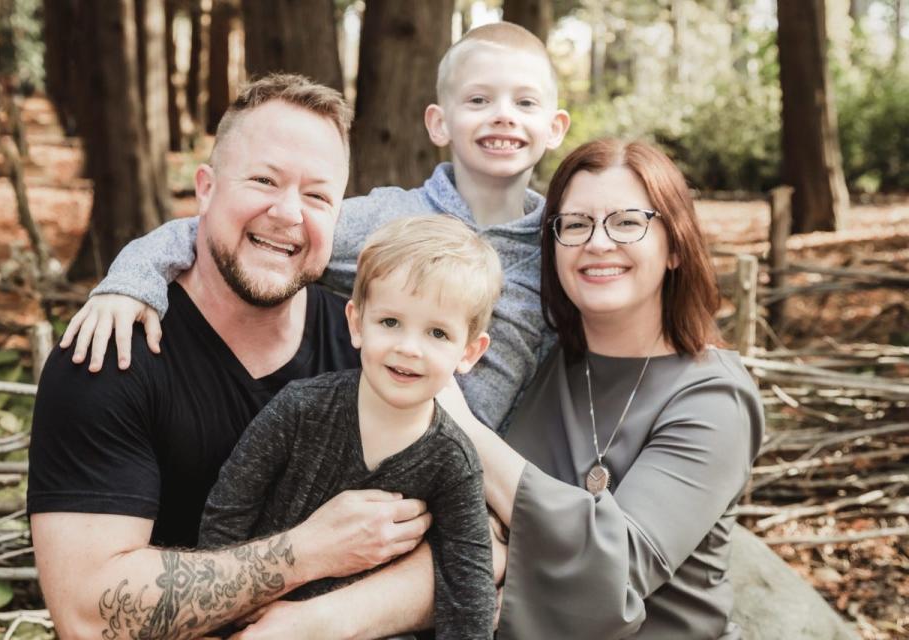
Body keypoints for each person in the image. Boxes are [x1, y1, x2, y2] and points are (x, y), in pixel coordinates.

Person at [27, 74, 433, 639]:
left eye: (317, 195)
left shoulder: (373, 349)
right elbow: (89, 616)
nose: (289, 213)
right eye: (264, 180)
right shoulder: (111, 354)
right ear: (206, 188)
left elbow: (475, 543)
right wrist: (307, 552)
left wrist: (315, 623)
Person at [61, 21, 571, 433]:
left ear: (554, 128)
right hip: (381, 456)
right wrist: (131, 282)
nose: (503, 117)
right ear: (438, 122)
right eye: (479, 100)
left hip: (487, 479)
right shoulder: (388, 220)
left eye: (524, 103)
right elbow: (221, 227)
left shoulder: (560, 249)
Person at [435, 139, 766, 638]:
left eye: (628, 222)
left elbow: (609, 585)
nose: (597, 242)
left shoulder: (714, 397)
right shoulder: (543, 361)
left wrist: (462, 430)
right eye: (575, 224)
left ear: (675, 245)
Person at [199, 215, 501, 639]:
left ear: (469, 352)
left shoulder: (453, 461)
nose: (408, 348)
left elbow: (466, 588)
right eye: (391, 322)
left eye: (436, 333)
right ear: (357, 323)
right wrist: (223, 617)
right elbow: (227, 513)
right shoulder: (301, 409)